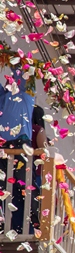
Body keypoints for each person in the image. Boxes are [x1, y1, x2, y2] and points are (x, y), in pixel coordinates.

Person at [0, 68, 35, 234]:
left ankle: (24, 226)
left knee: (21, 189)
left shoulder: (25, 95)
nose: (10, 81)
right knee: (4, 189)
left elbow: (22, 69)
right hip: (4, 147)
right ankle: (8, 225)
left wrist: (12, 58)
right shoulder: (3, 97)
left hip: (20, 146)